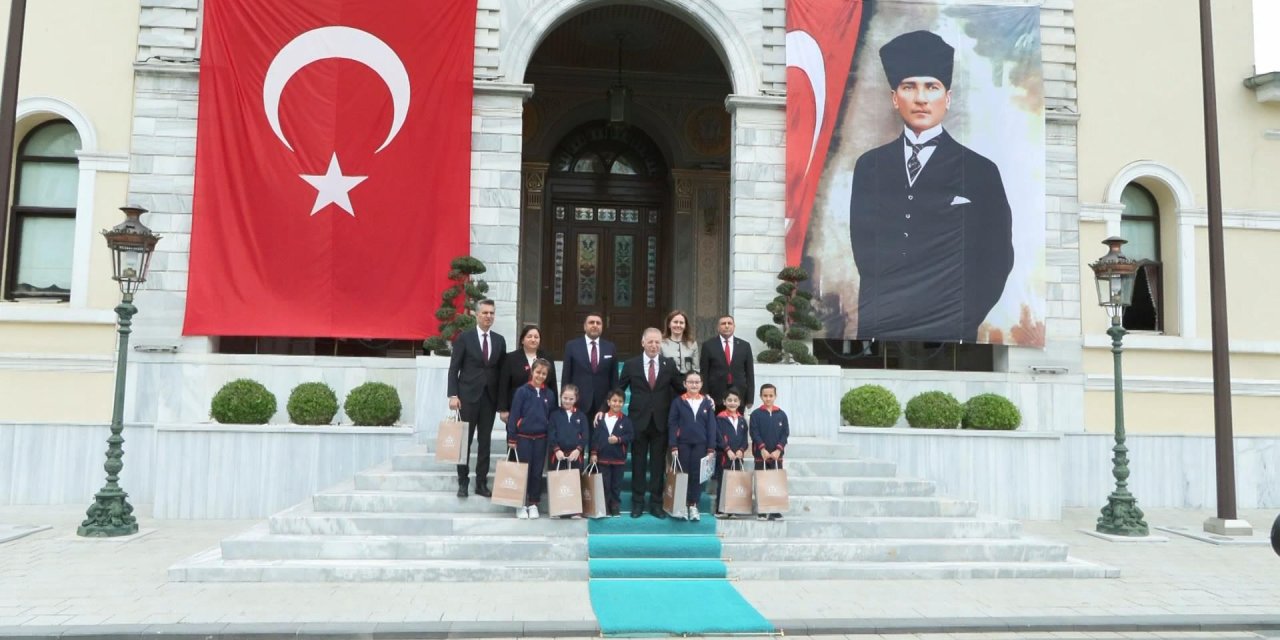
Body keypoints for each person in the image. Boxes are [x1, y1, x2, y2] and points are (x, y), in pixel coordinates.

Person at [848, 29, 1014, 342]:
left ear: (947, 98)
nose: (921, 98)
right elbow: (864, 250)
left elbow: (998, 258)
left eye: (932, 87)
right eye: (909, 87)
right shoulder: (869, 166)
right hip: (882, 328)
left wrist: (960, 316)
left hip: (949, 331)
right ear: (894, 98)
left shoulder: (980, 171)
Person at [618, 327, 684, 519]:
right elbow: (619, 390)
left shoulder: (668, 364)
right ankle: (637, 503)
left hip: (661, 422)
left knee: (657, 465)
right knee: (638, 464)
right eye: (650, 342)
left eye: (657, 342)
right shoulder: (631, 364)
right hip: (638, 421)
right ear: (643, 343)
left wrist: (701, 397)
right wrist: (605, 410)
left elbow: (680, 388)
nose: (654, 345)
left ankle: (656, 503)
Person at [446, 299, 506, 498]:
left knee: (485, 442)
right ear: (477, 315)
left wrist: (503, 402)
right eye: (485, 313)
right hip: (467, 398)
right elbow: (454, 368)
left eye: (491, 313)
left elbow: (502, 372)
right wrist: (453, 395)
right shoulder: (465, 338)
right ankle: (463, 482)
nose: (489, 316)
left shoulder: (499, 340)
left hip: (489, 398)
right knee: (464, 441)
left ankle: (481, 483)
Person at [506, 358, 554, 520]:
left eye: (544, 373)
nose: (540, 376)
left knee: (536, 472)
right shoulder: (522, 392)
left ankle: (533, 503)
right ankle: (520, 504)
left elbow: (551, 418)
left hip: (541, 439)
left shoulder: (550, 394)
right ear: (532, 372)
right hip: (523, 438)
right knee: (522, 472)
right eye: (538, 372)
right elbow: (514, 415)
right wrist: (512, 437)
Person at [667, 371, 716, 522]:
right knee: (683, 474)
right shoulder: (678, 402)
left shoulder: (707, 403)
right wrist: (673, 445)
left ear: (701, 384)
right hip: (682, 444)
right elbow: (672, 424)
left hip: (701, 445)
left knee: (697, 475)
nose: (694, 385)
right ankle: (681, 505)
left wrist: (711, 448)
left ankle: (693, 504)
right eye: (690, 382)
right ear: (685, 384)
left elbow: (711, 427)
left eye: (697, 382)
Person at [561, 312, 618, 419]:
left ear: (602, 327)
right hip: (578, 404)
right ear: (585, 326)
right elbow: (566, 376)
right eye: (591, 322)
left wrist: (609, 405)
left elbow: (614, 380)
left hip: (603, 406)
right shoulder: (572, 346)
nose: (595, 325)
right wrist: (566, 403)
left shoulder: (610, 347)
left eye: (598, 323)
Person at [498, 324, 557, 424]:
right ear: (522, 340)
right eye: (529, 336)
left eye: (536, 337)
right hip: (517, 406)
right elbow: (504, 384)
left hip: (542, 407)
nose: (533, 339)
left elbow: (552, 384)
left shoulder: (547, 357)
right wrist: (503, 409)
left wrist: (555, 410)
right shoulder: (510, 358)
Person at [749, 383, 789, 521]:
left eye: (771, 395)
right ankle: (762, 510)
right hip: (761, 455)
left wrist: (779, 449)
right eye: (765, 396)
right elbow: (754, 433)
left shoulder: (781, 414)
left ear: (775, 396)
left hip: (777, 456)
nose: (768, 398)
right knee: (761, 482)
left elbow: (785, 433)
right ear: (760, 396)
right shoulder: (756, 414)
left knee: (775, 482)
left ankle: (775, 510)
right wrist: (762, 448)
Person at [591, 389, 633, 518]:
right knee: (605, 484)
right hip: (603, 458)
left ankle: (615, 506)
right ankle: (605, 506)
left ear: (623, 403)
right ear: (608, 402)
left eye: (620, 401)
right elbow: (595, 438)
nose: (617, 403)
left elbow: (631, 436)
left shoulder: (626, 420)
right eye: (614, 401)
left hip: (618, 459)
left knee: (616, 484)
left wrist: (619, 439)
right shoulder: (601, 419)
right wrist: (594, 453)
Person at [700, 315, 755, 412]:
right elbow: (704, 372)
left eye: (729, 323)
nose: (726, 326)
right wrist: (705, 394)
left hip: (739, 395)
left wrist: (750, 399)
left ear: (734, 326)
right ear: (718, 327)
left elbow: (749, 373)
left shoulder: (745, 346)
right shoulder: (708, 345)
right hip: (715, 396)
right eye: (723, 323)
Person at [713, 387, 749, 519]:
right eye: (729, 400)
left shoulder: (742, 421)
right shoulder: (719, 418)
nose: (732, 403)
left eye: (735, 400)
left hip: (738, 458)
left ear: (739, 402)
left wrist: (741, 450)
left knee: (736, 482)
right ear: (724, 402)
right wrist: (727, 449)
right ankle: (721, 509)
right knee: (723, 482)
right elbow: (718, 437)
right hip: (724, 457)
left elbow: (745, 439)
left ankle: (734, 508)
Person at [660, 309, 700, 376]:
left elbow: (696, 368)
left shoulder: (692, 344)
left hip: (687, 380)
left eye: (681, 323)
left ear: (685, 326)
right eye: (675, 322)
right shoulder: (661, 343)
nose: (678, 325)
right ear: (669, 324)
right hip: (667, 380)